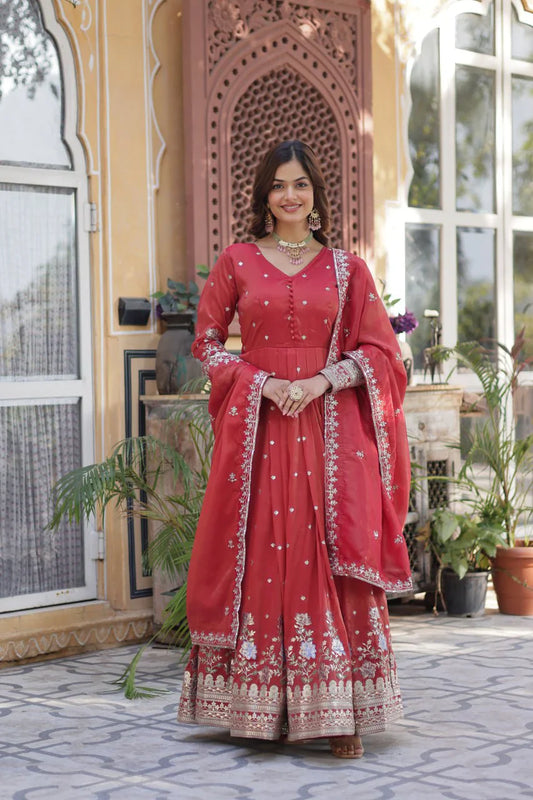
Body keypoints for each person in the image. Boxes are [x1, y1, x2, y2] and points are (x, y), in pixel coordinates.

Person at [178, 140, 412, 758]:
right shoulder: (237, 261)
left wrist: (317, 382)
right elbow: (205, 342)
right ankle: (262, 708)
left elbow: (382, 352)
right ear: (265, 195)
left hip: (331, 434)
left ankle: (342, 713)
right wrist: (262, 382)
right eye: (279, 185)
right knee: (261, 555)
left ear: (315, 195)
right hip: (258, 433)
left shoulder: (346, 269)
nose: (290, 195)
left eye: (301, 184)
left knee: (328, 554)